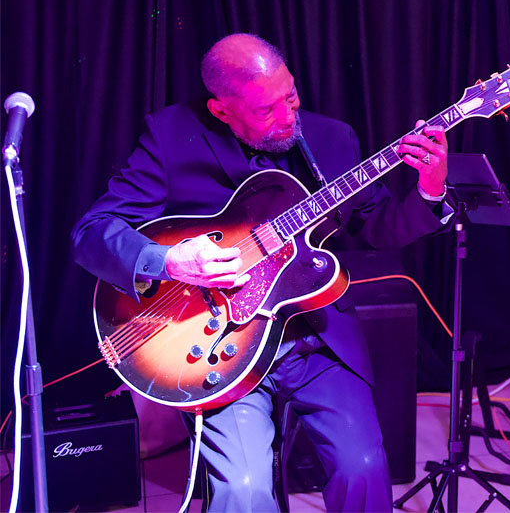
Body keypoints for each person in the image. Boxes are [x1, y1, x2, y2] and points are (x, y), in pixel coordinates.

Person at [72, 33, 451, 512]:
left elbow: (377, 225)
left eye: (290, 97)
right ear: (221, 109)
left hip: (315, 337)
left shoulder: (333, 138)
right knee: (244, 489)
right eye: (266, 111)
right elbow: (92, 232)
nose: (288, 116)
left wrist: (430, 191)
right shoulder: (171, 137)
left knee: (364, 468)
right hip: (216, 347)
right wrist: (171, 260)